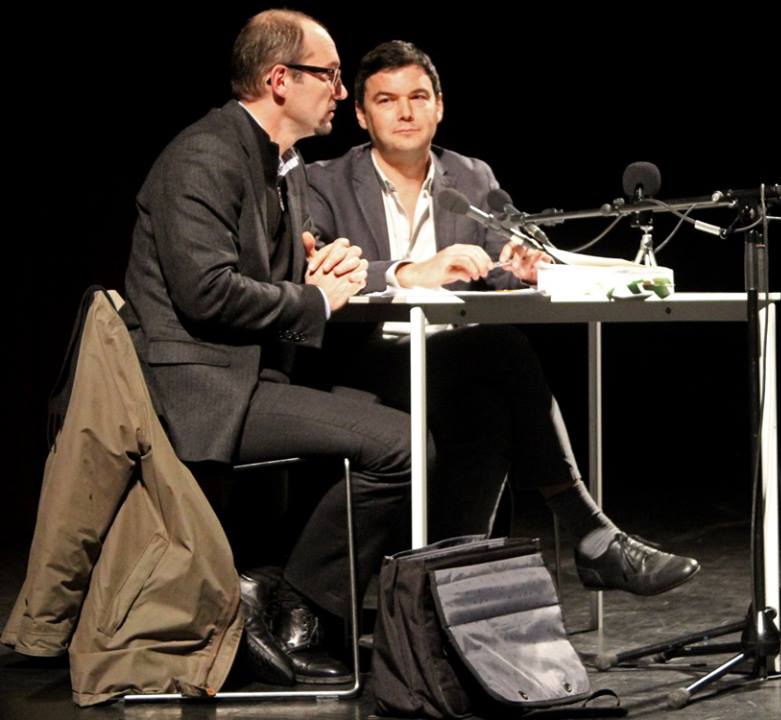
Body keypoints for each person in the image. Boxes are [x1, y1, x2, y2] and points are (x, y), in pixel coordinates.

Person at [306, 41, 700, 599]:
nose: (406, 112)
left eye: (419, 97)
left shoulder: (471, 176)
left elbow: (503, 260)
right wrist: (409, 272)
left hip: (455, 366)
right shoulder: (324, 181)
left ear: (439, 106)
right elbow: (312, 267)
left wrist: (526, 266)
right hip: (367, 362)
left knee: (488, 401)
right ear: (362, 114)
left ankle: (443, 593)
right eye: (387, 100)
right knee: (500, 351)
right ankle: (586, 531)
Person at [121, 10, 413, 685]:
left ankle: (277, 587)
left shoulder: (285, 163)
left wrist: (321, 270)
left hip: (250, 376)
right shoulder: (204, 155)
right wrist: (313, 301)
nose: (342, 92)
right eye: (332, 76)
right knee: (399, 445)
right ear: (279, 79)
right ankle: (294, 603)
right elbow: (209, 295)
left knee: (378, 405)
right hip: (197, 389)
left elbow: (269, 274)